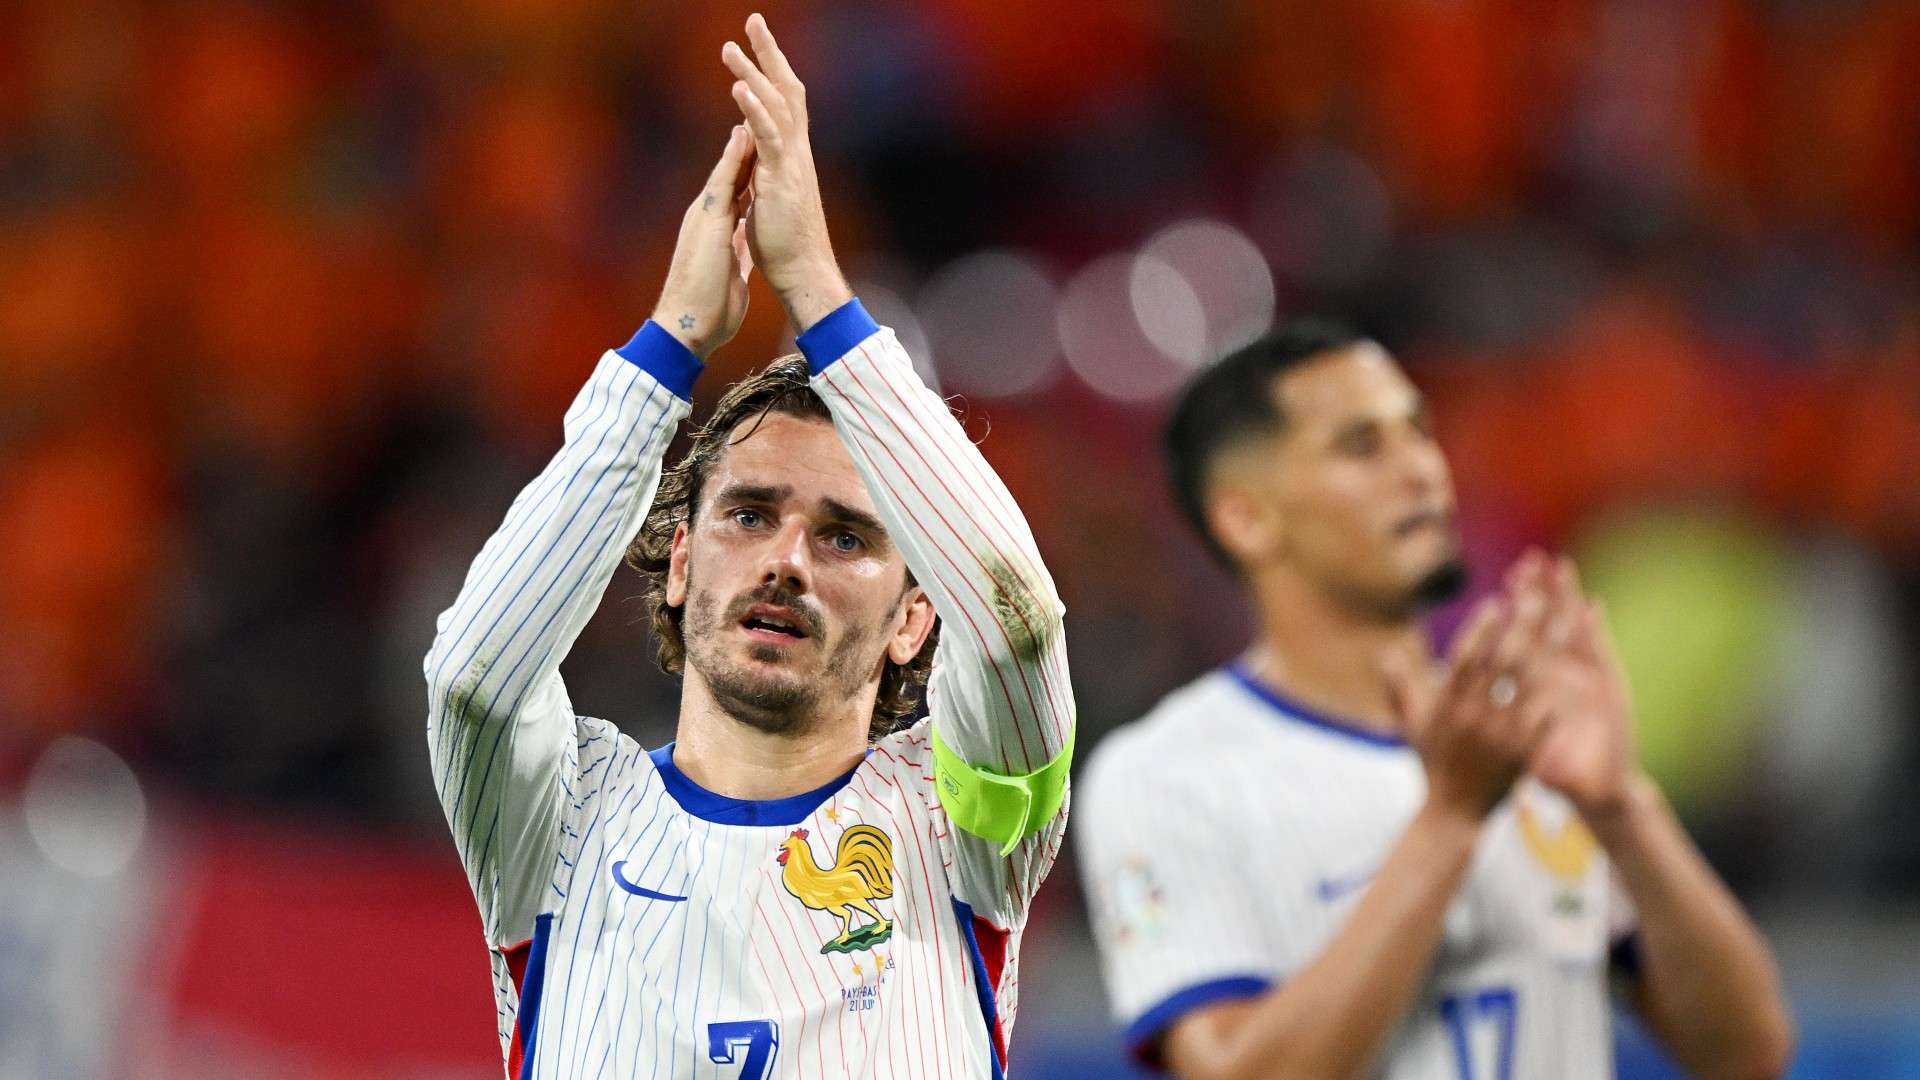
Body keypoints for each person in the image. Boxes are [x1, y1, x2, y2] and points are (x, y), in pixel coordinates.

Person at [424, 16, 1072, 1077]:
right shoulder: (564, 815)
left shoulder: (961, 826)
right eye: (748, 513)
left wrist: (816, 290)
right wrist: (671, 340)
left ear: (914, 618)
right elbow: (473, 684)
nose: (788, 561)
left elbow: (1015, 626)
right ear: (678, 562)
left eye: (848, 537)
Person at [1076, 321, 1794, 1079]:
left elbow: (1748, 1054)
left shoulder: (1522, 742)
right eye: (1362, 446)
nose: (1422, 469)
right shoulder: (1170, 774)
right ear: (1246, 519)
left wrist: (1621, 804)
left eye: (1419, 432)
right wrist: (1450, 819)